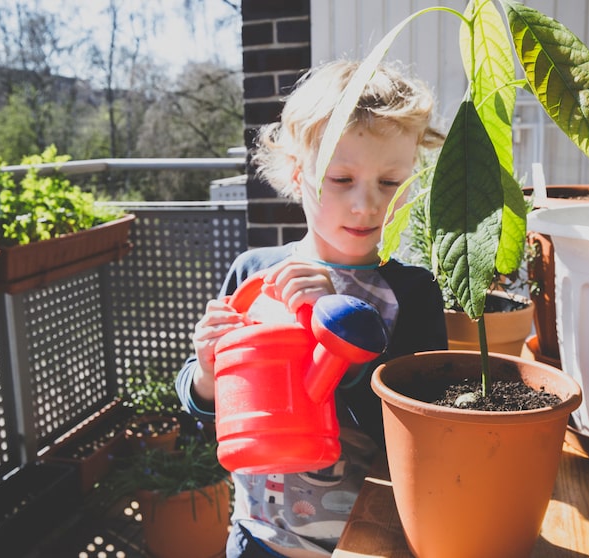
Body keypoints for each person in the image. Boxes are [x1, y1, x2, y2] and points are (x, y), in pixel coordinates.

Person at [175, 59, 449, 558]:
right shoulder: (254, 276)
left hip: (368, 538)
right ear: (298, 176)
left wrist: (338, 327)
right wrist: (207, 374)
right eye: (341, 178)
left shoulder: (412, 294)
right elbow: (211, 407)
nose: (367, 204)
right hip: (257, 534)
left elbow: (421, 432)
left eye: (389, 182)